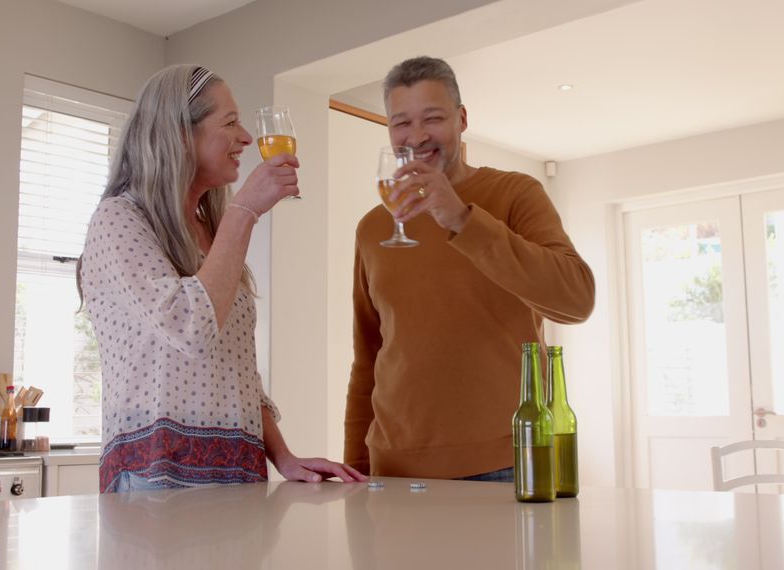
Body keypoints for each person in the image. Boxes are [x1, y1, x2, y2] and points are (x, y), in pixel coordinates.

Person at [81, 64, 366, 492]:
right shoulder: (119, 219)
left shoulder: (210, 231)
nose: (247, 137)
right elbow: (189, 327)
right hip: (156, 479)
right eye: (230, 122)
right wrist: (245, 211)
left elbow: (237, 366)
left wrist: (283, 456)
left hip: (239, 474)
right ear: (180, 133)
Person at [344, 56, 596, 482]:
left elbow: (576, 300)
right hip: (393, 470)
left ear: (461, 119)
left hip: (506, 462)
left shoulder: (516, 194)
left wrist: (462, 218)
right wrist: (355, 466)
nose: (418, 136)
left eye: (433, 118)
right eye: (401, 122)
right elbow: (368, 358)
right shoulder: (372, 228)